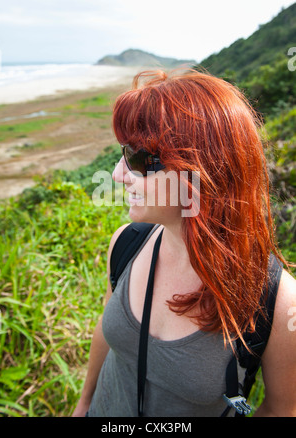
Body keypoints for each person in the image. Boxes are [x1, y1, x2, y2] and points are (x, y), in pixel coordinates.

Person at [72, 69, 296, 417]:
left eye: (136, 157)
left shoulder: (277, 303)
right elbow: (107, 335)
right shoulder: (126, 245)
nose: (116, 175)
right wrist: (83, 404)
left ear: (199, 169)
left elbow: (282, 409)